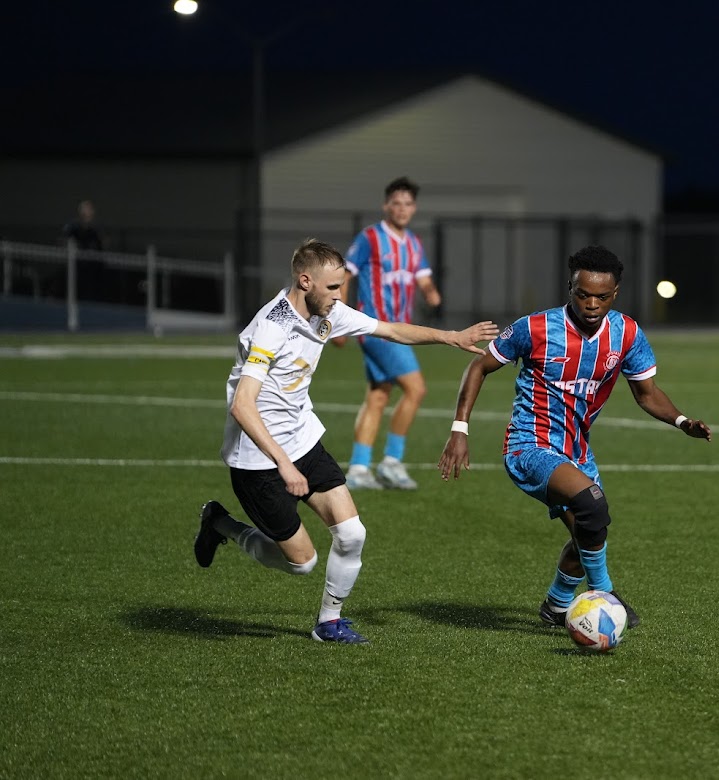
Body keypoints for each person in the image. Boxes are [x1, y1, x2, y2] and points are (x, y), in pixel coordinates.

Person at [194, 238, 497, 644]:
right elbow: (243, 406)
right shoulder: (272, 327)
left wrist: (449, 336)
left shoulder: (327, 312)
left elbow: (388, 329)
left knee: (353, 534)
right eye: (333, 287)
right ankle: (220, 523)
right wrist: (284, 464)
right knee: (302, 563)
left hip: (303, 441)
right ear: (305, 281)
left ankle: (328, 623)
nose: (340, 296)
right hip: (259, 459)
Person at [438, 245, 712, 629]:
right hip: (529, 445)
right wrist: (459, 430)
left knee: (590, 532)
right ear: (570, 288)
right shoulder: (535, 328)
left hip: (576, 450)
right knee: (592, 507)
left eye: (602, 296)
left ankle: (557, 603)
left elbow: (647, 393)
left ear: (615, 294)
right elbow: (479, 366)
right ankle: (606, 594)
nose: (592, 303)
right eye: (583, 294)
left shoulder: (626, 333)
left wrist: (683, 421)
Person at [339, 177, 441, 491]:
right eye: (396, 202)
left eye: (408, 203)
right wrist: (338, 317)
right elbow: (345, 275)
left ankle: (358, 468)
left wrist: (431, 293)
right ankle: (392, 462)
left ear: (414, 208)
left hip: (398, 328)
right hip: (377, 329)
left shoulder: (412, 243)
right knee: (416, 389)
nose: (402, 209)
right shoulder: (370, 237)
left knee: (378, 396)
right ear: (386, 205)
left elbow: (422, 278)